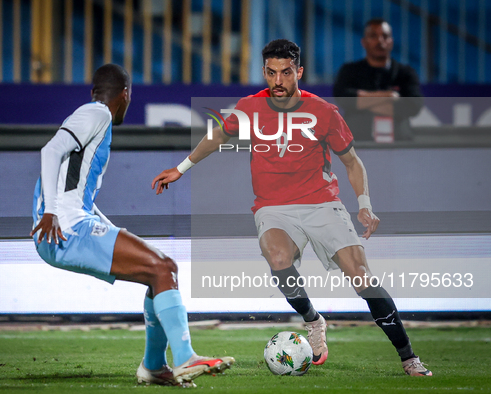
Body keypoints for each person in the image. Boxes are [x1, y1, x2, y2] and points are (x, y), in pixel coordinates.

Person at [152, 40, 432, 377]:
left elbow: (352, 162)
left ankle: (409, 357)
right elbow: (217, 137)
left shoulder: (325, 112)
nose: (278, 81)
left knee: (362, 279)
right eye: (271, 73)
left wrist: (365, 205)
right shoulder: (249, 107)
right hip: (273, 207)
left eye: (286, 73)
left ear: (298, 71)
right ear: (264, 72)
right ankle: (313, 321)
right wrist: (180, 169)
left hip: (322, 202)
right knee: (279, 258)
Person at [30, 63, 234, 387]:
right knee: (164, 268)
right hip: (67, 229)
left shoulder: (90, 117)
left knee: (160, 274)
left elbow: (70, 184)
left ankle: (154, 366)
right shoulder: (97, 114)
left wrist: (106, 227)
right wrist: (50, 213)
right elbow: (50, 150)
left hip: (69, 225)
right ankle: (184, 358)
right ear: (125, 95)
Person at [333, 18, 423, 142]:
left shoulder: (405, 73)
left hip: (400, 143)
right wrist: (389, 96)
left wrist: (363, 101)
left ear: (391, 42)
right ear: (364, 42)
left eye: (385, 36)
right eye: (373, 36)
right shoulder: (350, 71)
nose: (380, 41)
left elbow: (413, 106)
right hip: (357, 144)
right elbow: (345, 99)